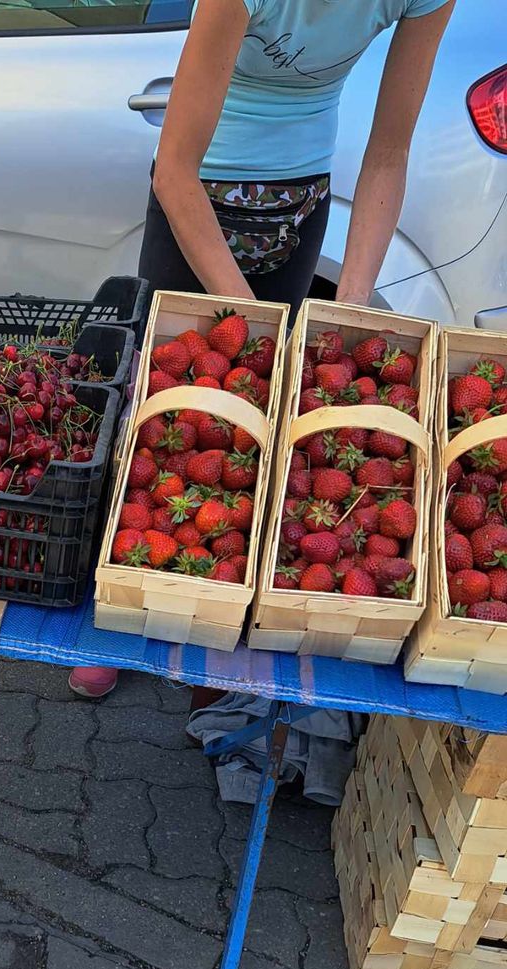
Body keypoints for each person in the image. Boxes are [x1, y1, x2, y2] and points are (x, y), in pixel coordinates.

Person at [70, 0, 455, 700]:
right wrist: (251, 322)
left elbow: (390, 152)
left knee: (258, 434)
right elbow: (174, 172)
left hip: (301, 203)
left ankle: (214, 621)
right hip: (199, 198)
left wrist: (351, 305)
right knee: (158, 419)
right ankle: (123, 618)